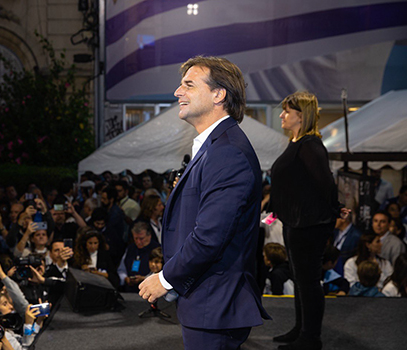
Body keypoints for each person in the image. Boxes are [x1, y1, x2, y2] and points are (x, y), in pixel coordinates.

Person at [139, 56, 269, 349]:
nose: (177, 92)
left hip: (215, 304)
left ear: (218, 94)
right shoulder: (217, 147)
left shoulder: (227, 152)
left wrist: (164, 279)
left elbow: (210, 237)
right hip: (209, 302)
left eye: (188, 84)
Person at [269, 91, 348, 350]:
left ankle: (310, 338)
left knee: (308, 281)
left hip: (309, 225)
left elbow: (326, 183)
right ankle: (301, 330)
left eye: (286, 111)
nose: (281, 115)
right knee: (302, 278)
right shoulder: (298, 143)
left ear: (301, 116)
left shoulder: (310, 145)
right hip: (298, 222)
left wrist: (336, 209)